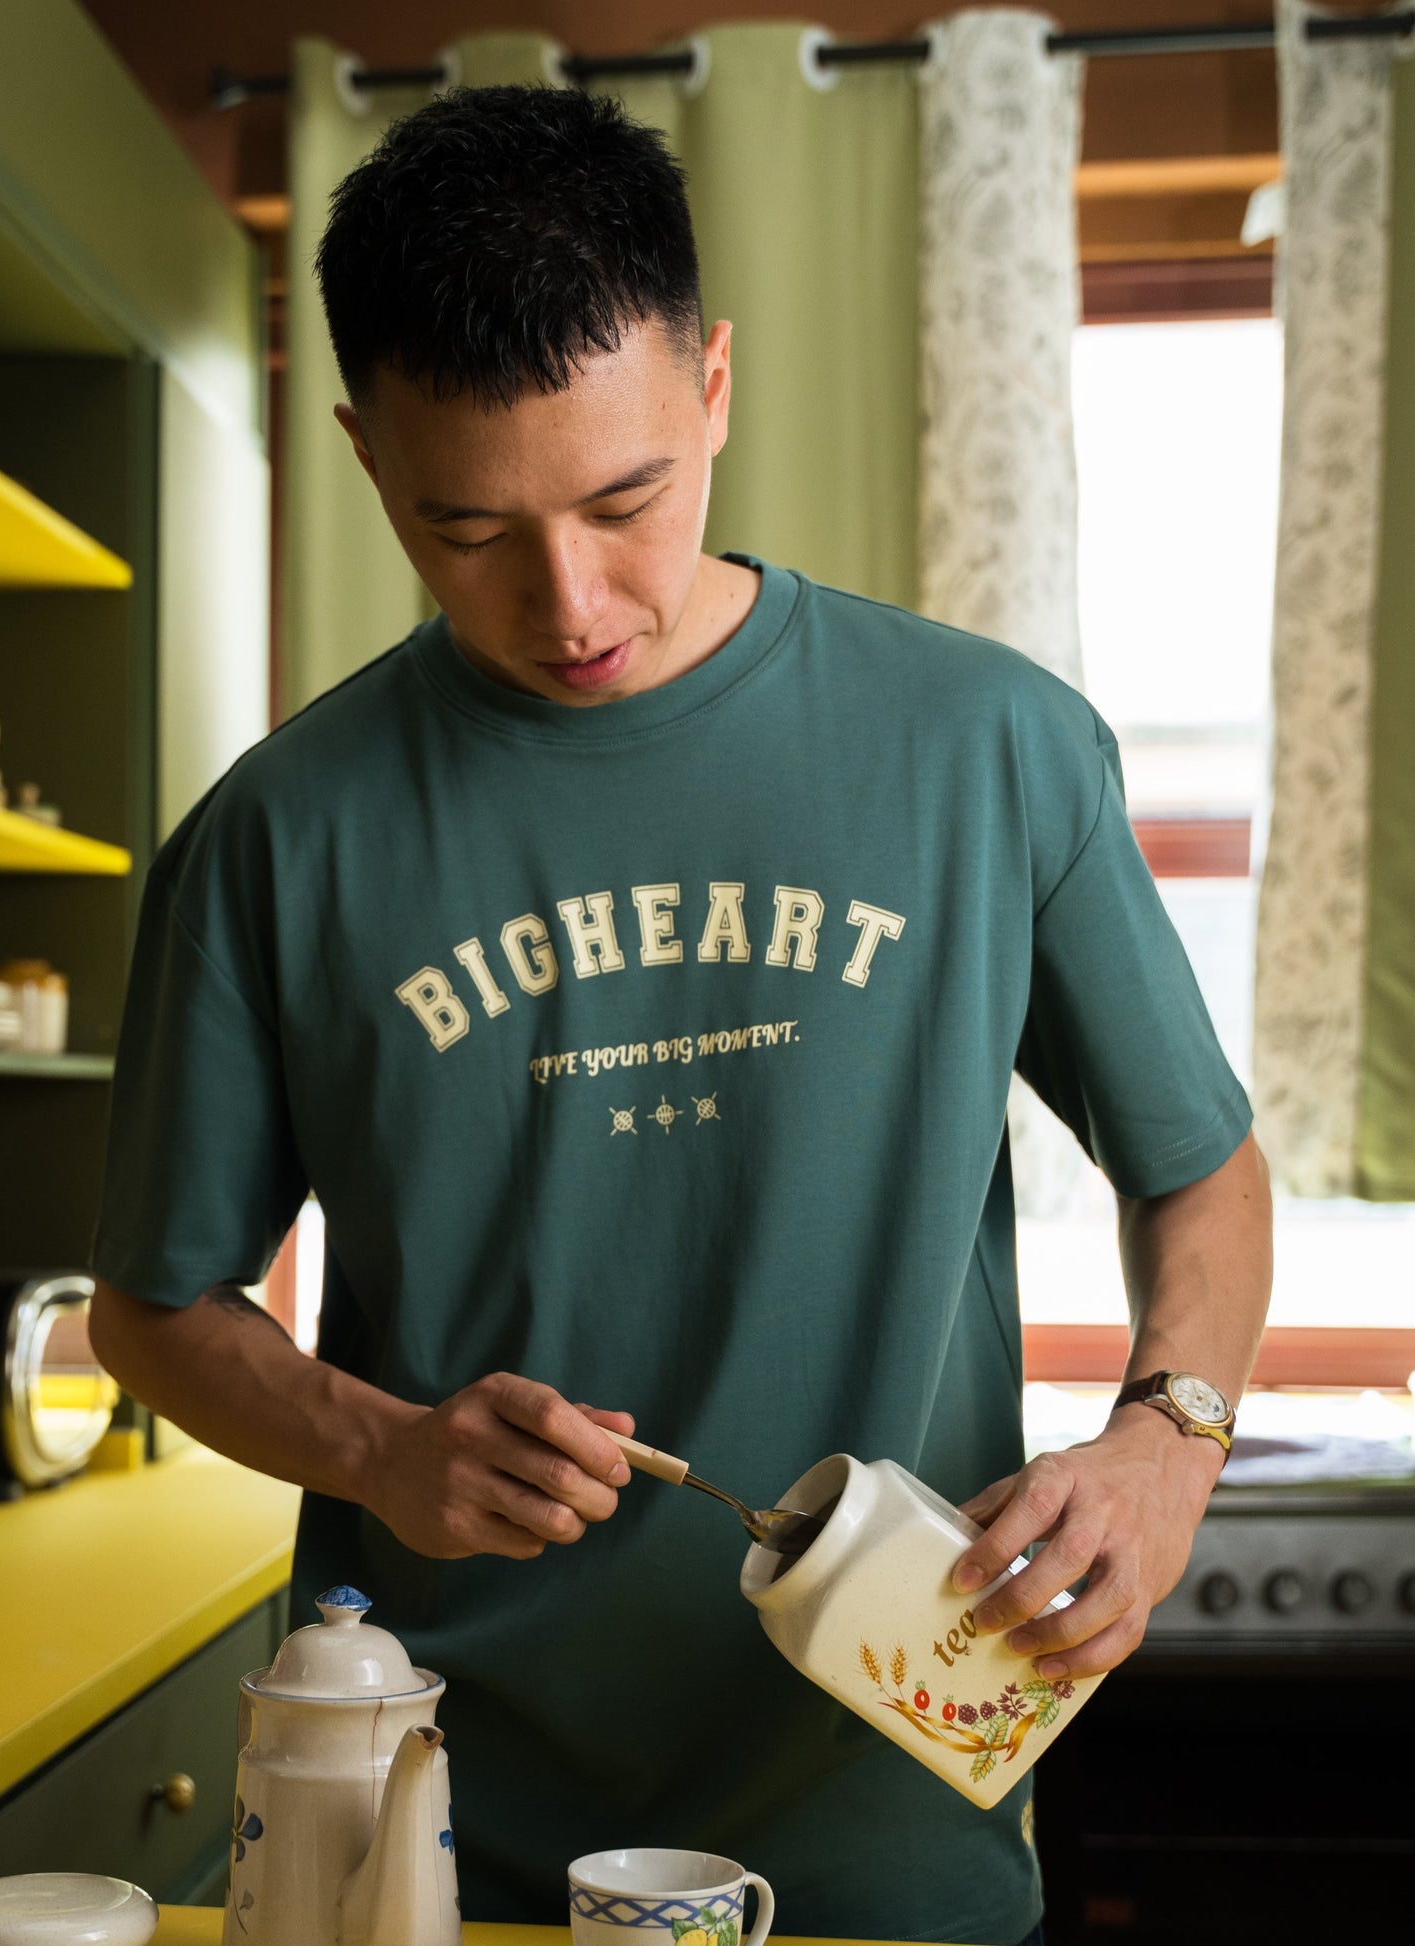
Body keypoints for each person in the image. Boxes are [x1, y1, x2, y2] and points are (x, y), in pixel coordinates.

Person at [87, 85, 1271, 1945]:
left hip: (891, 1818)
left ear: (711, 383)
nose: (568, 603)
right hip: (438, 1839)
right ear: (360, 455)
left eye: (625, 498)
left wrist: (1163, 1439)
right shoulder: (270, 842)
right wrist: (376, 1446)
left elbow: (1200, 1170)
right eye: (460, 525)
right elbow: (153, 1309)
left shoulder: (985, 748)